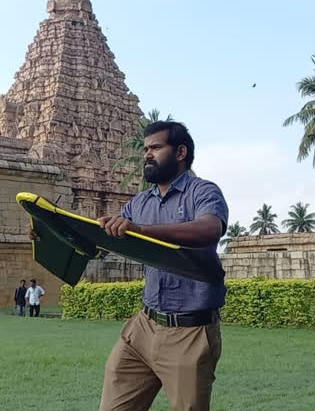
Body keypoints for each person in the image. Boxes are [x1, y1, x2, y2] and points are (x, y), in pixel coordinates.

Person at [96, 121, 229, 411]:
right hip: (143, 327)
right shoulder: (139, 203)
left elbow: (210, 229)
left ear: (180, 152)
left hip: (189, 331)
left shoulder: (202, 192)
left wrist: (143, 230)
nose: (147, 154)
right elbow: (108, 242)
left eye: (155, 147)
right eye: (145, 149)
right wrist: (53, 232)